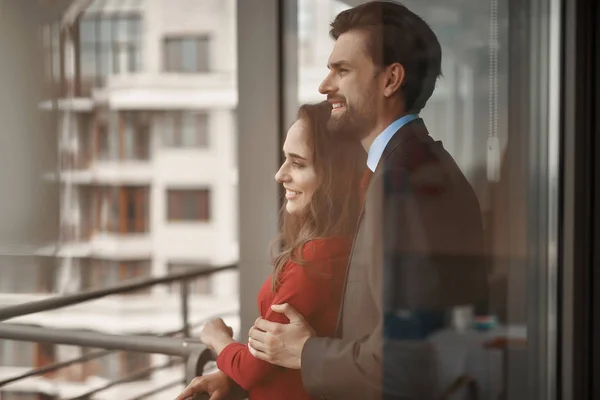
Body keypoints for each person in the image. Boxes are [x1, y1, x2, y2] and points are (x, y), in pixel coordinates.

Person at [244, 2, 488, 399]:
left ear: (390, 79)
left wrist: (306, 352)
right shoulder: (406, 168)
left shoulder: (404, 183)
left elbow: (407, 362)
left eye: (342, 70)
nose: (325, 86)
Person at [176, 101, 365, 400]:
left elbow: (254, 367)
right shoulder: (344, 245)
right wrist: (228, 376)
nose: (280, 174)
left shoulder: (316, 259)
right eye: (284, 159)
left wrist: (219, 339)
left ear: (334, 178)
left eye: (298, 163)